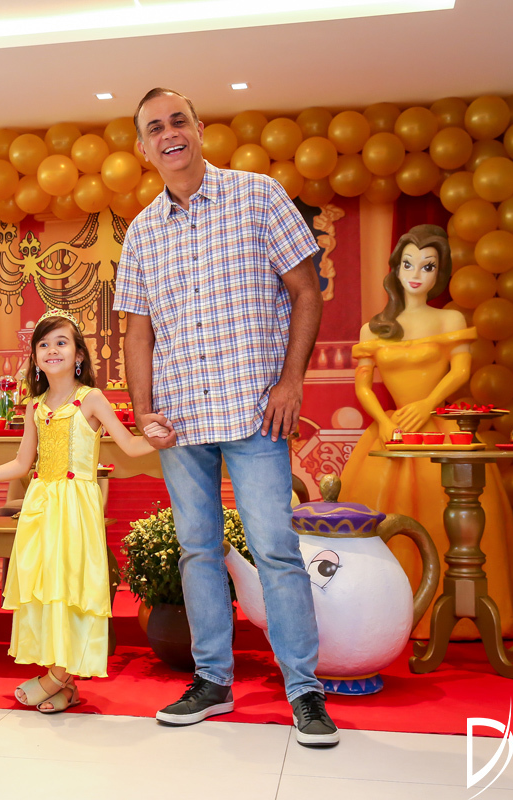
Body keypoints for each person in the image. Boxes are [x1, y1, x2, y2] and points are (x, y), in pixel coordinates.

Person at [115, 87, 338, 746]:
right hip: (181, 419)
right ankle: (212, 680)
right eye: (155, 128)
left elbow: (306, 291)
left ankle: (304, 690)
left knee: (275, 549)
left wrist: (291, 382)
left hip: (255, 411)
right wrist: (144, 411)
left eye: (178, 121)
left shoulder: (258, 196)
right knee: (197, 551)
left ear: (199, 129)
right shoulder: (144, 230)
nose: (169, 134)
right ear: (143, 147)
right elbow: (137, 331)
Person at [0, 310, 164, 712]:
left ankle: (55, 677)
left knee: (72, 587)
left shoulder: (92, 399)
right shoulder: (34, 407)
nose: (52, 350)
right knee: (47, 587)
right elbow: (23, 463)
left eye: (61, 343)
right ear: (35, 357)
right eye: (44, 344)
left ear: (79, 355)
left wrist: (159, 438)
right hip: (41, 506)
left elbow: (129, 444)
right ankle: (65, 685)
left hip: (76, 508)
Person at [339, 224, 513, 639]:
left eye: (427, 266)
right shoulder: (375, 328)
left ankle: (458, 612)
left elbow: (460, 371)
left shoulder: (449, 319)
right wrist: (385, 421)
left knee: (450, 513)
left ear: (439, 273)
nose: (416, 274)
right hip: (391, 431)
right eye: (408, 264)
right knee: (382, 513)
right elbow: (363, 386)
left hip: (439, 428)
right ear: (395, 268)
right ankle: (382, 615)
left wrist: (426, 405)